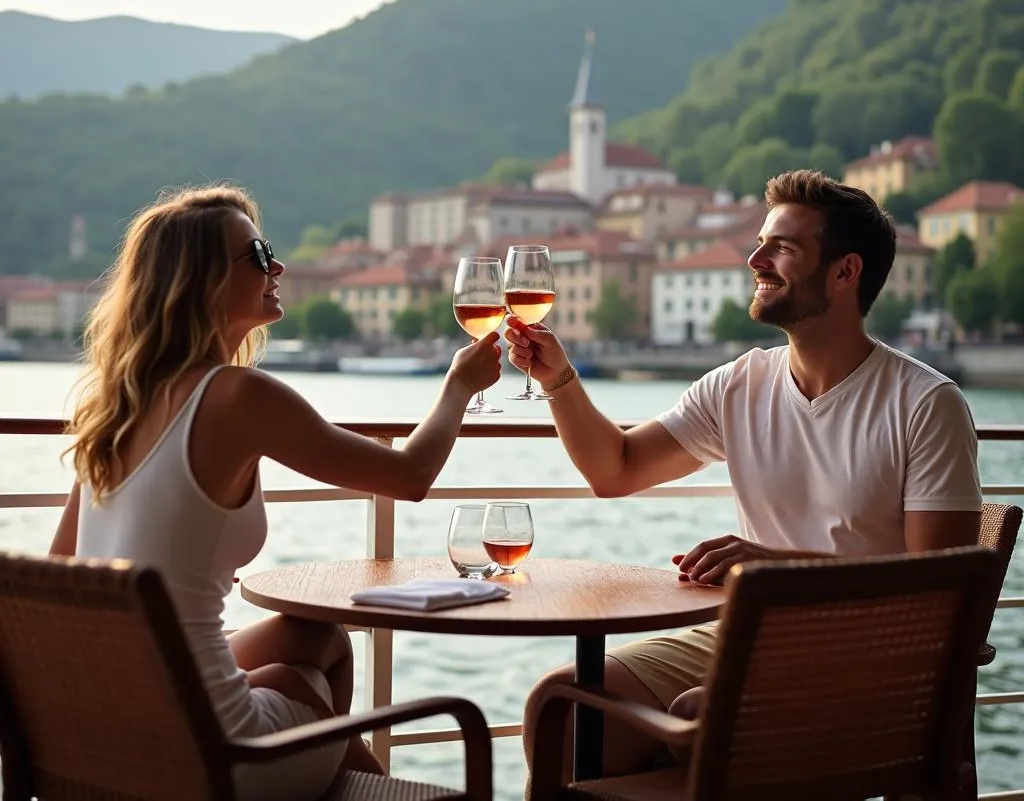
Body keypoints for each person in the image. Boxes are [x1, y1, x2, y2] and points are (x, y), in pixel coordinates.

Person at [505, 169, 982, 779]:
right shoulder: (739, 384)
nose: (755, 258)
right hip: (749, 636)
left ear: (845, 272)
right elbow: (615, 469)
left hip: (871, 656)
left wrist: (773, 565)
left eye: (782, 247)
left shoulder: (924, 402)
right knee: (562, 708)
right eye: (761, 242)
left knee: (702, 716)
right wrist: (558, 379)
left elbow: (940, 591)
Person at [49, 185, 502, 801]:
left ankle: (357, 787)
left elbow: (58, 576)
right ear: (203, 281)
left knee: (315, 640)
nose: (278, 266)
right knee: (298, 677)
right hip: (212, 762)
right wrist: (457, 386)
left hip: (118, 732)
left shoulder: (115, 410)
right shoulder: (237, 396)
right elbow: (409, 477)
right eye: (258, 255)